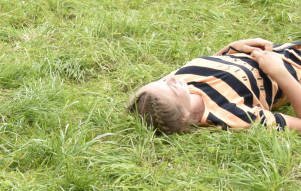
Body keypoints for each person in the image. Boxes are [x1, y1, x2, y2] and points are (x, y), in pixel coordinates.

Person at [128, 38, 301, 134]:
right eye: (171, 88)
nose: (171, 78)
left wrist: (230, 49)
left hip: (289, 48)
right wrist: (279, 72)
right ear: (183, 116)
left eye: (162, 81)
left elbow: (210, 69)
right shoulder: (232, 114)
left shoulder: (177, 83)